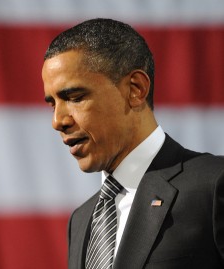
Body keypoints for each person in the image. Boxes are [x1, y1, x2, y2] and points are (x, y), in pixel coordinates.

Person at [41, 18, 224, 269]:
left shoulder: (213, 185)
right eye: (52, 104)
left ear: (135, 89)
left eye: (74, 97)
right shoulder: (81, 220)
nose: (57, 121)